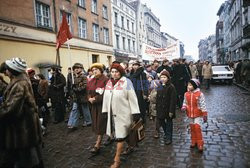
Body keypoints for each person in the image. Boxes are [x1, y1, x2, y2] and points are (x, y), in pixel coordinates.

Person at [0, 57, 43, 167]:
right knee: (31, 155)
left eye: (7, 70)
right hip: (26, 125)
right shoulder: (20, 80)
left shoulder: (19, 84)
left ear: (12, 70)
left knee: (26, 159)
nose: (5, 72)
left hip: (23, 127)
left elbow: (11, 108)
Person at [102, 63, 141, 168]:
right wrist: (105, 110)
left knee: (120, 137)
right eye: (112, 72)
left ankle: (117, 160)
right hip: (112, 115)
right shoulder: (109, 82)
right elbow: (106, 97)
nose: (114, 74)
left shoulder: (127, 82)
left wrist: (135, 113)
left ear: (121, 72)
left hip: (124, 114)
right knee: (123, 133)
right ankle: (130, 146)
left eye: (116, 72)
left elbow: (132, 97)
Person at [87, 63, 110, 154]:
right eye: (93, 70)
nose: (94, 71)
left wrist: (95, 99)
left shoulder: (107, 80)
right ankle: (110, 136)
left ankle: (98, 144)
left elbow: (107, 93)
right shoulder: (91, 80)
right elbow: (88, 91)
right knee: (97, 123)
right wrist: (89, 98)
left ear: (101, 70)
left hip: (103, 105)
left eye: (96, 69)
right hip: (94, 106)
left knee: (101, 123)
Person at [181, 79, 208, 152]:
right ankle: (193, 140)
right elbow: (185, 102)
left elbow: (203, 104)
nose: (188, 86)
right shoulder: (186, 94)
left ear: (195, 86)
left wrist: (205, 114)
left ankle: (200, 143)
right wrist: (184, 106)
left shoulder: (199, 94)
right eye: (188, 85)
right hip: (190, 114)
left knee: (197, 128)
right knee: (192, 128)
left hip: (197, 114)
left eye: (190, 85)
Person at [67, 63, 92, 130]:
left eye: (77, 68)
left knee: (85, 109)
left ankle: (88, 121)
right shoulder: (73, 77)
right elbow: (71, 86)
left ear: (81, 69)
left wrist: (77, 89)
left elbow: (85, 86)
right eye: (75, 69)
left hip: (82, 95)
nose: (76, 70)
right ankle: (72, 124)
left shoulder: (83, 76)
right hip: (76, 96)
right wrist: (73, 89)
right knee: (74, 109)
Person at [156, 70, 177, 145]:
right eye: (161, 77)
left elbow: (173, 100)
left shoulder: (171, 87)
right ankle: (166, 133)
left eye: (164, 77)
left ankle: (169, 137)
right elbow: (157, 98)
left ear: (168, 78)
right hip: (160, 108)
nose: (163, 79)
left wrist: (171, 111)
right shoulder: (159, 86)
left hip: (168, 109)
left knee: (169, 123)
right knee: (161, 121)